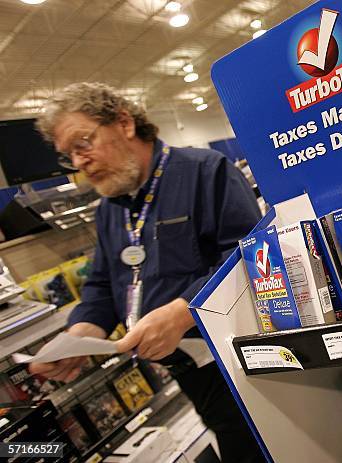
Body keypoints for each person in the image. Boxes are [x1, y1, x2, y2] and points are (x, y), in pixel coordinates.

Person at [30, 83, 264, 462]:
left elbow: (249, 255)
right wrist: (78, 336)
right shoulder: (110, 209)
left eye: (83, 143)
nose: (80, 162)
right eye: (69, 155)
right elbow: (103, 286)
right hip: (188, 369)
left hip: (240, 361)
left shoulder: (206, 171)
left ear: (123, 123)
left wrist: (181, 311)